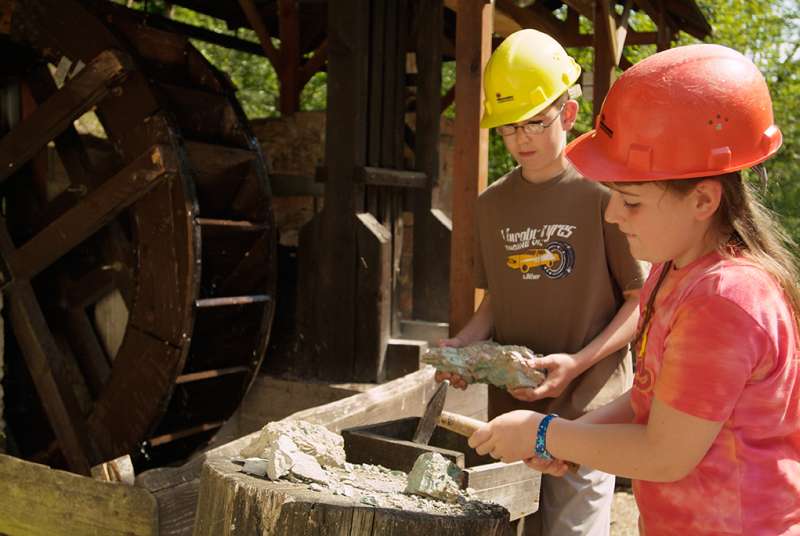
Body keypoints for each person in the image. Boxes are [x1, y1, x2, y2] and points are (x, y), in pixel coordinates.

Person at [468, 43, 800, 535]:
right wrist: (567, 439)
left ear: (703, 199)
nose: (611, 214)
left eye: (631, 201)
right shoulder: (674, 273)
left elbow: (664, 454)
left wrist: (545, 431)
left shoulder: (724, 301)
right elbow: (653, 400)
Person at [435, 29, 645, 535]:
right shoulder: (491, 205)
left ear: (568, 115)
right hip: (510, 416)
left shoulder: (605, 195)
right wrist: (463, 344)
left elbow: (640, 303)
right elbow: (495, 304)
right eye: (507, 128)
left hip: (586, 412)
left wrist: (576, 365)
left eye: (533, 123)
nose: (519, 139)